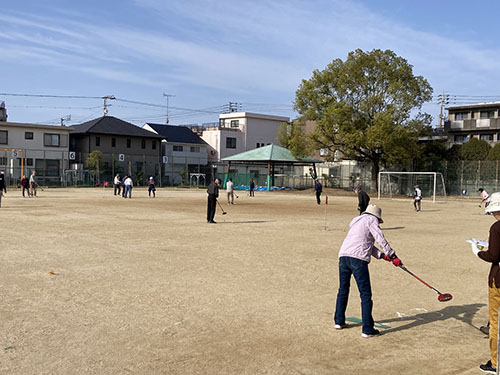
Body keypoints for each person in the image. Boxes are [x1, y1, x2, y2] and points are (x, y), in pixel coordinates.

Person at [334, 205, 402, 338]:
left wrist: (383, 256)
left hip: (343, 256)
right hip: (358, 260)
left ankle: (339, 321)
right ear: (376, 217)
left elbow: (366, 244)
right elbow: (379, 238)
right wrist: (392, 255)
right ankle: (367, 329)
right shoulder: (372, 220)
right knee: (365, 295)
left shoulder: (356, 220)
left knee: (343, 289)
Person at [471, 192, 500, 373]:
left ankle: (496, 363)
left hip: (499, 279)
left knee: (495, 321)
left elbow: (493, 255)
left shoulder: (497, 227)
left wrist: (478, 251)